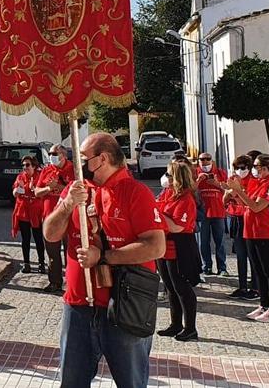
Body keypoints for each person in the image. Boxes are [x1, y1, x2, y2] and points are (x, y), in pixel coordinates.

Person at [42, 133, 166, 387]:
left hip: (124, 306)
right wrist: (66, 205)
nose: (80, 165)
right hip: (78, 305)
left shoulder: (136, 192)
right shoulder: (76, 189)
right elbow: (50, 234)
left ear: (103, 159)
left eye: (84, 159)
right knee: (72, 382)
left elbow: (156, 246)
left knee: (130, 382)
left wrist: (104, 257)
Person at [226, 154, 269, 322]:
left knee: (268, 271)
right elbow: (247, 203)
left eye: (256, 166)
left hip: (264, 231)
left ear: (264, 168)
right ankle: (264, 304)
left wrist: (238, 190)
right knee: (258, 270)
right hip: (250, 231)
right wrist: (234, 193)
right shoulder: (258, 183)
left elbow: (257, 206)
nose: (253, 169)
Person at [157, 161, 201, 341]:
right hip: (164, 246)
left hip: (179, 247)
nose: (165, 178)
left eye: (168, 175)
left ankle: (190, 328)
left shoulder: (186, 199)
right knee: (170, 288)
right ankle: (175, 324)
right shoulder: (168, 194)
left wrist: (158, 215)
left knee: (182, 288)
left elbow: (177, 227)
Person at [34, 144, 73, 293]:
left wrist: (59, 186)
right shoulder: (46, 170)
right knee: (52, 253)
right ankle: (55, 282)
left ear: (63, 155)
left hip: (69, 218)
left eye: (54, 154)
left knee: (70, 251)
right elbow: (37, 192)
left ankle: (72, 282)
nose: (51, 156)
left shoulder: (73, 170)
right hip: (50, 218)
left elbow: (77, 190)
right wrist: (49, 188)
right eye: (50, 153)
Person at [223, 155, 257, 300]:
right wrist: (230, 193)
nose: (239, 170)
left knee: (252, 254)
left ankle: (255, 287)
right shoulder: (233, 178)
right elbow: (224, 199)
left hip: (248, 219)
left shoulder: (254, 181)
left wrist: (237, 194)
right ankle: (242, 286)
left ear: (249, 168)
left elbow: (251, 202)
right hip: (235, 218)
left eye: (242, 168)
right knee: (240, 255)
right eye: (237, 167)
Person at [193, 152, 228, 276]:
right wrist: (198, 180)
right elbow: (190, 191)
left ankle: (222, 267)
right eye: (202, 159)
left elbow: (228, 190)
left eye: (208, 159)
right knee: (203, 242)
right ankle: (206, 266)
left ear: (212, 160)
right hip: (202, 213)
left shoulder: (220, 172)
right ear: (198, 161)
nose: (205, 162)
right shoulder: (195, 172)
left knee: (220, 241)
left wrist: (217, 184)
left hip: (218, 212)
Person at [11, 155, 45, 273]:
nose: (25, 167)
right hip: (23, 211)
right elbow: (15, 193)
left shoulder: (39, 176)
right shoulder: (21, 177)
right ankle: (27, 264)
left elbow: (42, 192)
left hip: (36, 212)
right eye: (23, 165)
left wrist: (33, 188)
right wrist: (19, 189)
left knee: (38, 238)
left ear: (34, 166)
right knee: (25, 239)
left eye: (27, 165)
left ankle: (41, 263)